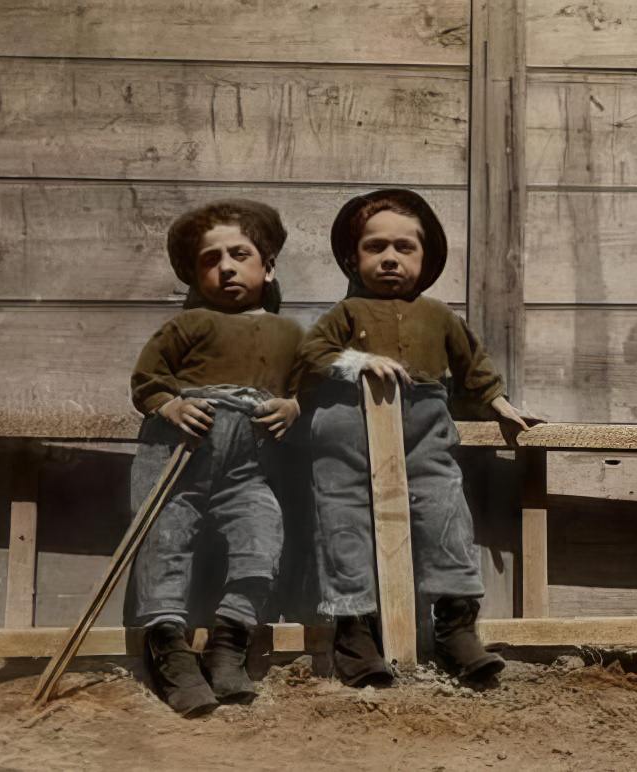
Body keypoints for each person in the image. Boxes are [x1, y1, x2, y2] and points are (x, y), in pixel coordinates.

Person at [296, 188, 539, 687]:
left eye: (404, 248)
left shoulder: (439, 316)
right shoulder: (345, 314)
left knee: (445, 514)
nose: (389, 258)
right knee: (344, 526)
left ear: (424, 259)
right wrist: (360, 362)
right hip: (346, 438)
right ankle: (354, 634)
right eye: (375, 247)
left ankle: (455, 630)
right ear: (352, 256)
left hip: (424, 432)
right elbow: (309, 355)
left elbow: (474, 368)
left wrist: (499, 404)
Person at [125, 199, 303, 716]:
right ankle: (171, 656)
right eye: (210, 259)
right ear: (195, 274)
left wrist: (294, 406)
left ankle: (230, 646)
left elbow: (308, 385)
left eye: (239, 254)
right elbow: (147, 379)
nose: (225, 266)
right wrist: (171, 405)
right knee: (164, 542)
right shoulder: (186, 326)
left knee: (262, 537)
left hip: (249, 469)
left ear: (267, 266)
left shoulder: (290, 334)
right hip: (178, 458)